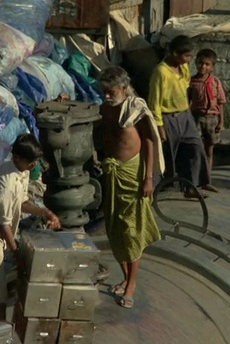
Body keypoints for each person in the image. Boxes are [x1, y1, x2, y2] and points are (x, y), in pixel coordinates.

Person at [0, 134, 61, 321]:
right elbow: (4, 224)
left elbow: (22, 203)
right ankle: (0, 340)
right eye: (31, 161)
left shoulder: (23, 172)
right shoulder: (6, 182)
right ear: (17, 158)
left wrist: (45, 212)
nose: (34, 165)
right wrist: (17, 252)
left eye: (36, 161)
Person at [98, 66, 165, 309]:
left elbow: (149, 141)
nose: (106, 96)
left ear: (123, 89)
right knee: (115, 228)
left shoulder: (135, 109)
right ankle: (125, 277)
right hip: (112, 172)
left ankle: (132, 284)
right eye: (103, 91)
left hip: (133, 174)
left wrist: (149, 178)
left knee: (132, 231)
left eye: (110, 91)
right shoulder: (105, 109)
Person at [147, 35, 218, 198]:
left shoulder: (184, 67)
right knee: (168, 155)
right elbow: (154, 101)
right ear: (175, 53)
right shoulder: (161, 72)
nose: (189, 59)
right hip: (168, 117)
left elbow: (186, 85)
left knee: (195, 147)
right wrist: (159, 125)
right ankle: (161, 188)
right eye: (186, 55)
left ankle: (192, 185)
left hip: (185, 115)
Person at [189, 48, 227, 172]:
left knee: (209, 149)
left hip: (212, 118)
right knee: (196, 147)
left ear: (212, 67)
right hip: (197, 117)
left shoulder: (215, 82)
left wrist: (221, 122)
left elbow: (221, 103)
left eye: (207, 64)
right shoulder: (192, 82)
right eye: (200, 63)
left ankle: (208, 175)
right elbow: (187, 101)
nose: (203, 66)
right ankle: (197, 173)